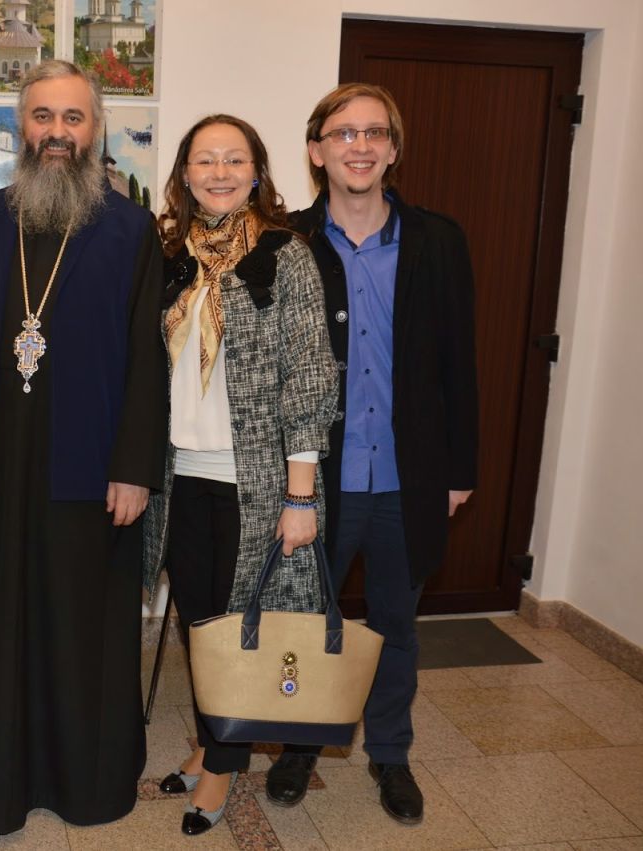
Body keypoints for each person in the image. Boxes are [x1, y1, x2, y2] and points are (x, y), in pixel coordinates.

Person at [0, 59, 167, 835]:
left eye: (73, 117)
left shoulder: (131, 230)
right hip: (2, 461)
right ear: (22, 126)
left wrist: (134, 468)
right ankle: (2, 767)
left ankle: (85, 778)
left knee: (82, 627)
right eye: (44, 116)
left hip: (93, 468)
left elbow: (148, 362)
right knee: (4, 616)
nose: (58, 132)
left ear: (94, 128)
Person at [268, 83, 479, 825]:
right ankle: (300, 746)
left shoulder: (438, 241)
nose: (359, 146)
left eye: (374, 133)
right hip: (315, 480)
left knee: (395, 627)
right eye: (343, 133)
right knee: (307, 623)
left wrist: (459, 471)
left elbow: (459, 364)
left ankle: (390, 753)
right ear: (316, 149)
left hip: (404, 478)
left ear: (392, 149)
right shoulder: (285, 243)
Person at [141, 115, 338, 836]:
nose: (219, 172)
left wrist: (299, 494)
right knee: (199, 623)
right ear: (185, 175)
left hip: (254, 484)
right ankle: (208, 741)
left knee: (239, 631)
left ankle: (223, 764)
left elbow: (310, 376)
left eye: (234, 160)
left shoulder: (286, 255)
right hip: (179, 479)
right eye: (205, 160)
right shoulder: (170, 257)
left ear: (256, 172)